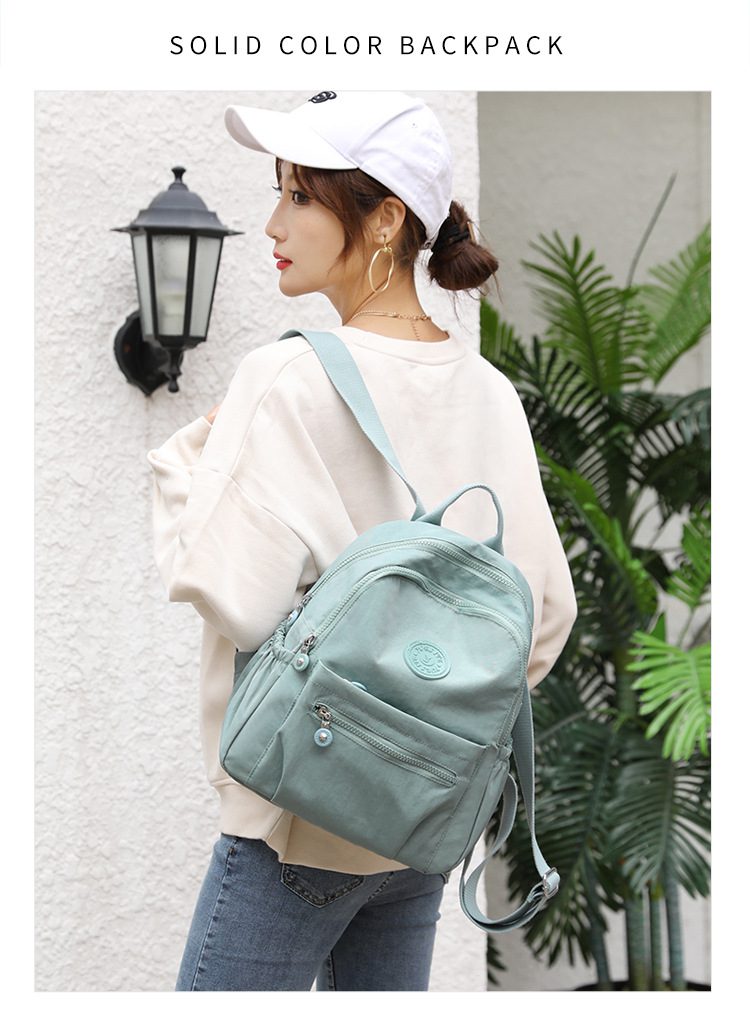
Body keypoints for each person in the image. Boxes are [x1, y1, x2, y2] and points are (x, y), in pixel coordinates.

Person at [147, 90, 577, 992]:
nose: (274, 223)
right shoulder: (490, 392)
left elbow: (230, 592)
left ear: (383, 219)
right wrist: (421, 736)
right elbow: (540, 619)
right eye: (278, 192)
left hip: (297, 821)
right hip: (418, 829)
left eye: (300, 196)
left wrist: (188, 459)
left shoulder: (288, 376)